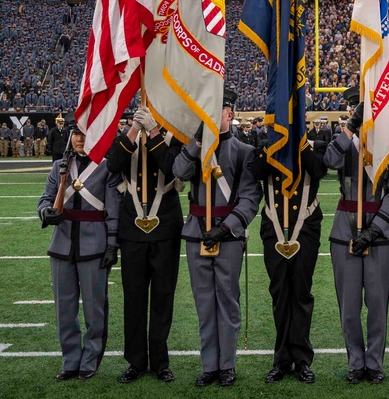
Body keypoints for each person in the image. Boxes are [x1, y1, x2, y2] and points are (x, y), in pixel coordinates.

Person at [171, 89, 260, 388]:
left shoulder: (243, 151)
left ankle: (227, 365)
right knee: (204, 303)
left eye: (217, 111)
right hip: (197, 232)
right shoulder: (195, 147)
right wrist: (196, 141)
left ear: (229, 114)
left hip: (228, 236)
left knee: (227, 302)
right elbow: (179, 172)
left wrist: (228, 227)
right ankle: (209, 365)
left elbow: (250, 198)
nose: (211, 116)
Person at [323, 86, 389, 385]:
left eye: (360, 108)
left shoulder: (388, 145)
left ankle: (374, 362)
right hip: (345, 230)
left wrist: (376, 228)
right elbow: (328, 162)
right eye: (351, 108)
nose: (355, 112)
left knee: (378, 303)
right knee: (349, 306)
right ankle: (355, 361)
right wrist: (350, 129)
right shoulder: (341, 140)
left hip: (379, 234)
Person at [36, 117, 122, 382]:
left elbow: (113, 212)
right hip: (62, 245)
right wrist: (45, 213)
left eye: (86, 134)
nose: (80, 139)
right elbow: (45, 199)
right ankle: (70, 359)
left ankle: (90, 359)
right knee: (65, 308)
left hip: (94, 245)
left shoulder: (107, 168)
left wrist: (111, 245)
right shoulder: (58, 166)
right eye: (76, 134)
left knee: (95, 309)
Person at [106, 106, 184, 385]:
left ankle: (160, 361)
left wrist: (153, 131)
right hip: (132, 229)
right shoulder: (126, 136)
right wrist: (133, 129)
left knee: (164, 297)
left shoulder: (175, 137)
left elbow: (171, 167)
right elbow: (113, 164)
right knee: (134, 297)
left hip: (165, 228)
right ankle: (136, 361)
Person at [255, 134, 327, 384]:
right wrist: (274, 142)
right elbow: (256, 171)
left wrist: (300, 142)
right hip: (273, 227)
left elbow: (318, 170)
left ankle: (302, 360)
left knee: (301, 293)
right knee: (280, 294)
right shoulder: (266, 145)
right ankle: (282, 359)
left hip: (305, 229)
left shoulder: (315, 144)